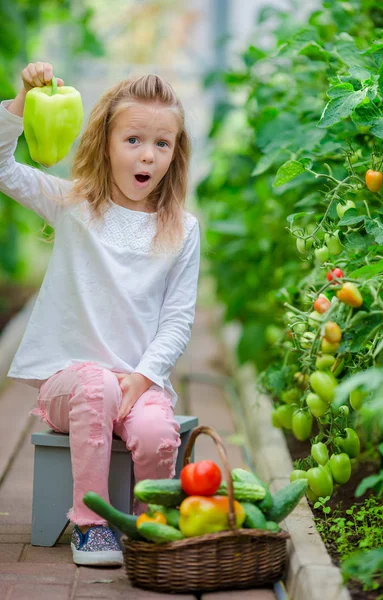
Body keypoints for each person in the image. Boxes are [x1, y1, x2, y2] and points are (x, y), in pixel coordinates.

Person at [0, 62, 201, 566]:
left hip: (139, 382)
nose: (148, 155)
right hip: (71, 381)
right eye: (133, 139)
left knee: (158, 435)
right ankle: (91, 526)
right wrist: (23, 99)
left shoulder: (182, 229)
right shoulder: (74, 204)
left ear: (175, 154)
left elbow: (177, 320)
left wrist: (143, 377)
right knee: (96, 384)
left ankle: (144, 525)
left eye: (162, 144)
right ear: (105, 142)